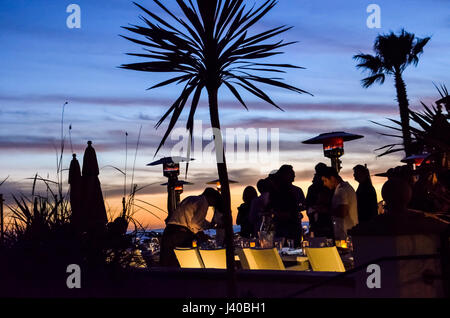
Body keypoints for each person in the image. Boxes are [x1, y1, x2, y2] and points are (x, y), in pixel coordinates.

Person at [159, 188, 223, 267]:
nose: (214, 204)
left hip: (169, 231)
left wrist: (209, 225)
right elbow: (195, 223)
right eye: (215, 201)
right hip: (180, 235)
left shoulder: (191, 198)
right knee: (181, 263)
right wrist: (202, 235)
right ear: (211, 197)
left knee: (166, 264)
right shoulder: (203, 202)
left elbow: (197, 220)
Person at [271, 165, 305, 247]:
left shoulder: (297, 190)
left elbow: (304, 205)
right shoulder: (276, 191)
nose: (294, 175)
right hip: (283, 227)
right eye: (292, 174)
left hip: (292, 227)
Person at [321, 167, 358, 241]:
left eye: (325, 181)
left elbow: (342, 212)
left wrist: (324, 210)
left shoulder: (341, 190)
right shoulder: (348, 187)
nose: (324, 184)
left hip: (344, 234)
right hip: (349, 231)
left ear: (332, 178)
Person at [305, 163, 334, 238]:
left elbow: (308, 205)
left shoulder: (312, 187)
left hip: (317, 221)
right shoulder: (328, 186)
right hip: (327, 221)